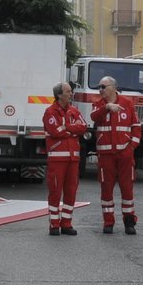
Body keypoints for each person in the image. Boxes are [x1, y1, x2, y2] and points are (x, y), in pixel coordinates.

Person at [91, 76, 141, 234]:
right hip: (106, 155)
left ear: (113, 87)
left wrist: (131, 147)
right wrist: (107, 108)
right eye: (99, 87)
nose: (100, 90)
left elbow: (136, 127)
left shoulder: (127, 103)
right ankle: (108, 222)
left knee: (127, 189)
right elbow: (94, 117)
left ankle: (129, 222)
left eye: (103, 86)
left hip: (124, 155)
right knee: (106, 189)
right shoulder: (98, 104)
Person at [42, 81, 88, 236]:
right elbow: (55, 132)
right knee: (55, 192)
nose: (71, 94)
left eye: (70, 91)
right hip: (57, 161)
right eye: (68, 91)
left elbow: (83, 127)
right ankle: (54, 224)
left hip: (73, 159)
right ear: (59, 95)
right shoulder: (50, 112)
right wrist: (72, 129)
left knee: (71, 191)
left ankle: (66, 223)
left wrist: (66, 127)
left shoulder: (74, 111)